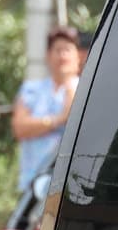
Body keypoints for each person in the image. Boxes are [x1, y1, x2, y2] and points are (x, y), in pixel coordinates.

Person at [11, 26, 84, 191]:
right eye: (58, 50)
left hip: (70, 183)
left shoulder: (85, 89)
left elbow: (73, 116)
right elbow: (20, 128)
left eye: (68, 50)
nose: (63, 55)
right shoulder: (32, 88)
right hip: (33, 182)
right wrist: (57, 120)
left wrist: (70, 82)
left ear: (78, 56)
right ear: (48, 56)